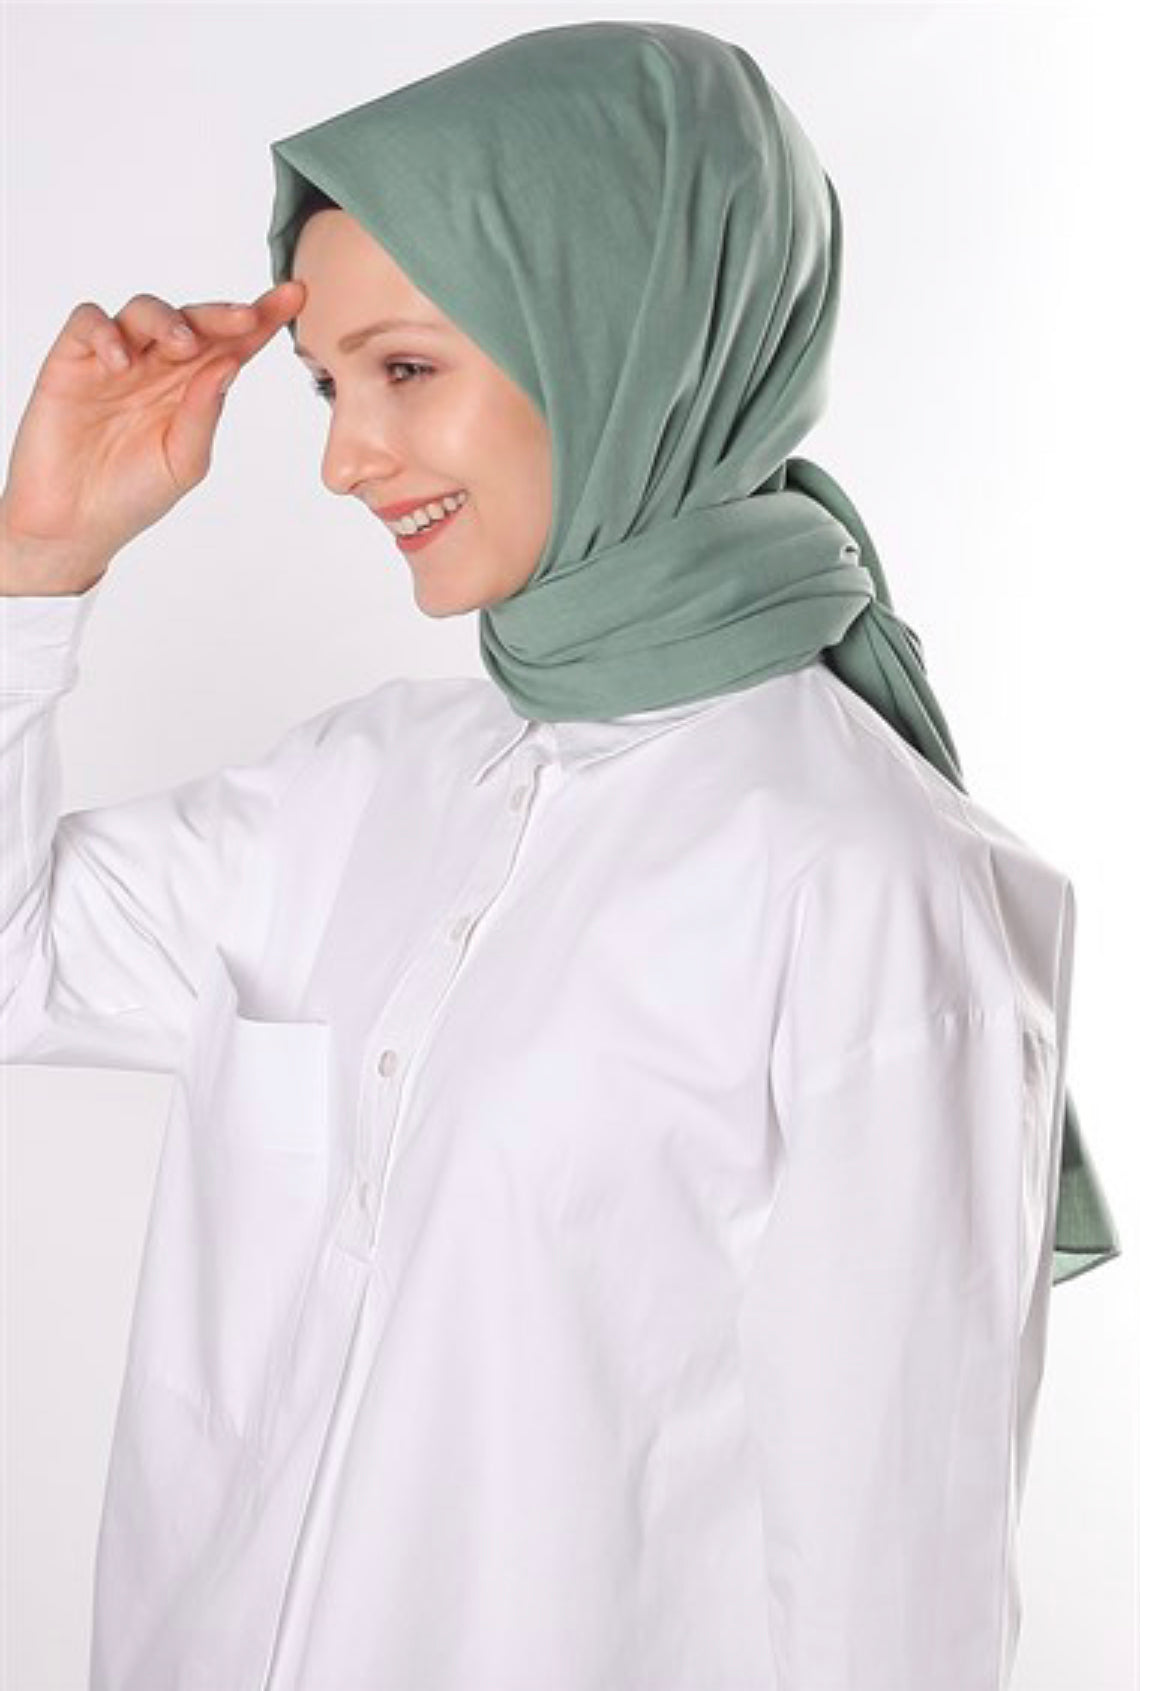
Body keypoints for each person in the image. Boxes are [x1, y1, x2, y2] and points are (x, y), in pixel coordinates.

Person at [0, 19, 1121, 1691]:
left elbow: (890, 1597)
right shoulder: (359, 786)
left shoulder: (865, 885)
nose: (342, 459)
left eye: (406, 370)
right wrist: (36, 564)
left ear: (623, 336)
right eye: (327, 386)